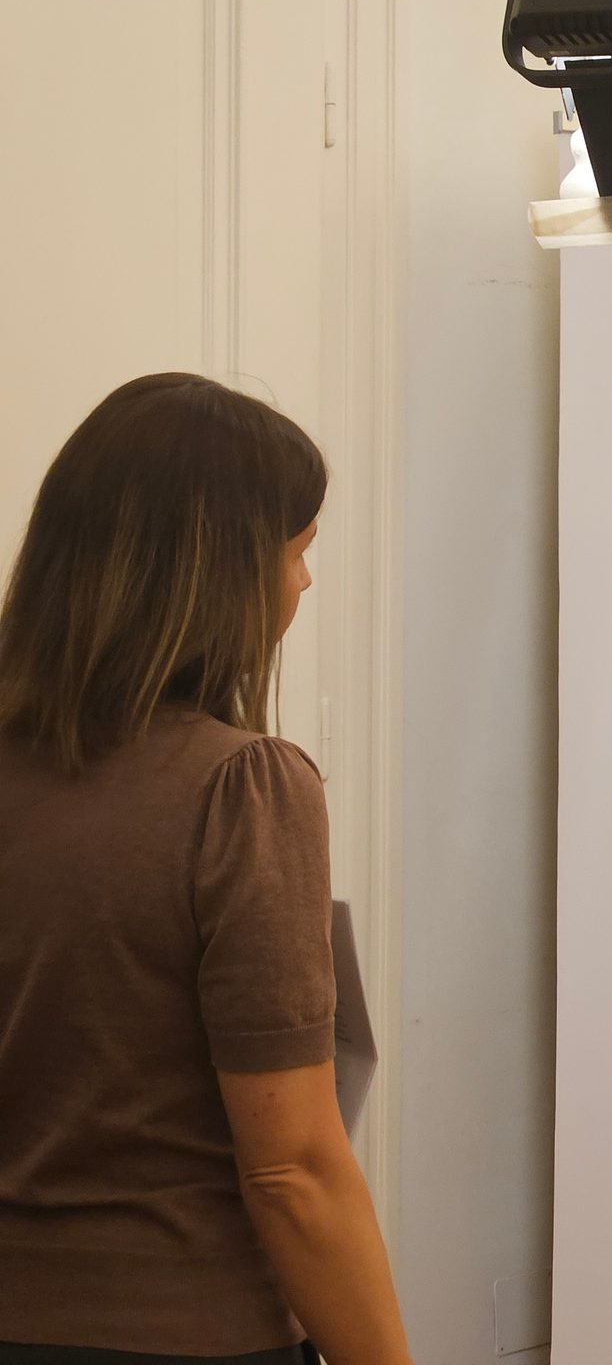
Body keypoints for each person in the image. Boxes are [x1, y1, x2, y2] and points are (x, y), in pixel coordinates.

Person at [0, 375, 410, 1364]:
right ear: (215, 569)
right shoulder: (240, 791)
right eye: (297, 550)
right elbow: (295, 1173)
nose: (304, 584)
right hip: (182, 1329)